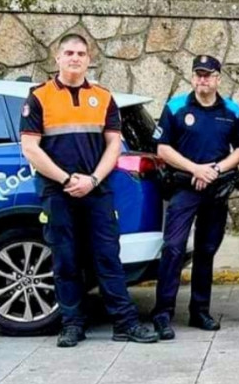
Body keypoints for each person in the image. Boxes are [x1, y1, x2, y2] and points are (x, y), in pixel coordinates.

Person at [19, 33, 158, 347]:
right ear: (57, 58)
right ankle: (72, 324)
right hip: (57, 192)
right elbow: (31, 148)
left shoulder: (103, 97)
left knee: (108, 257)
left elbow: (113, 146)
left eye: (81, 53)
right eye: (69, 52)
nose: (75, 58)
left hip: (97, 190)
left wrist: (92, 179)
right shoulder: (39, 97)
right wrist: (67, 180)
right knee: (65, 259)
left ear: (89, 59)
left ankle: (125, 323)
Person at [150, 55, 239, 339]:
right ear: (192, 78)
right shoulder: (176, 106)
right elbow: (162, 149)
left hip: (215, 189)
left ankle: (199, 310)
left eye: (208, 75)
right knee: (173, 248)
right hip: (183, 187)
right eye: (198, 74)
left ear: (218, 79)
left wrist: (215, 170)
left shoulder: (233, 111)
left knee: (206, 250)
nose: (203, 79)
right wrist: (195, 169)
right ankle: (162, 313)